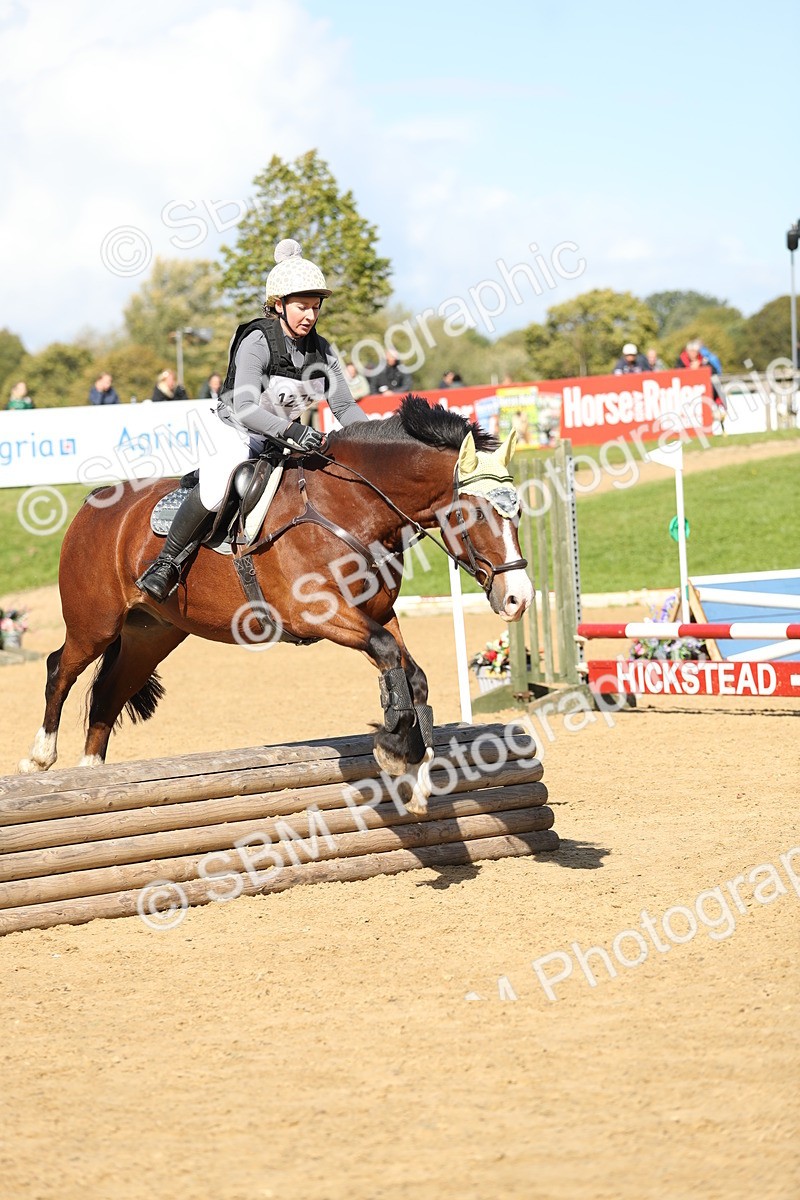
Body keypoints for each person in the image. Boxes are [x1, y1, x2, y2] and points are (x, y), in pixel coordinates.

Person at [137, 238, 370, 602]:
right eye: (301, 307)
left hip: (280, 438)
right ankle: (166, 563)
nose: (310, 315)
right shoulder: (259, 340)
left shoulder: (323, 351)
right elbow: (246, 408)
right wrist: (294, 430)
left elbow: (343, 406)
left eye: (315, 307)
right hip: (235, 430)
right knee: (216, 491)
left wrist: (372, 440)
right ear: (279, 305)